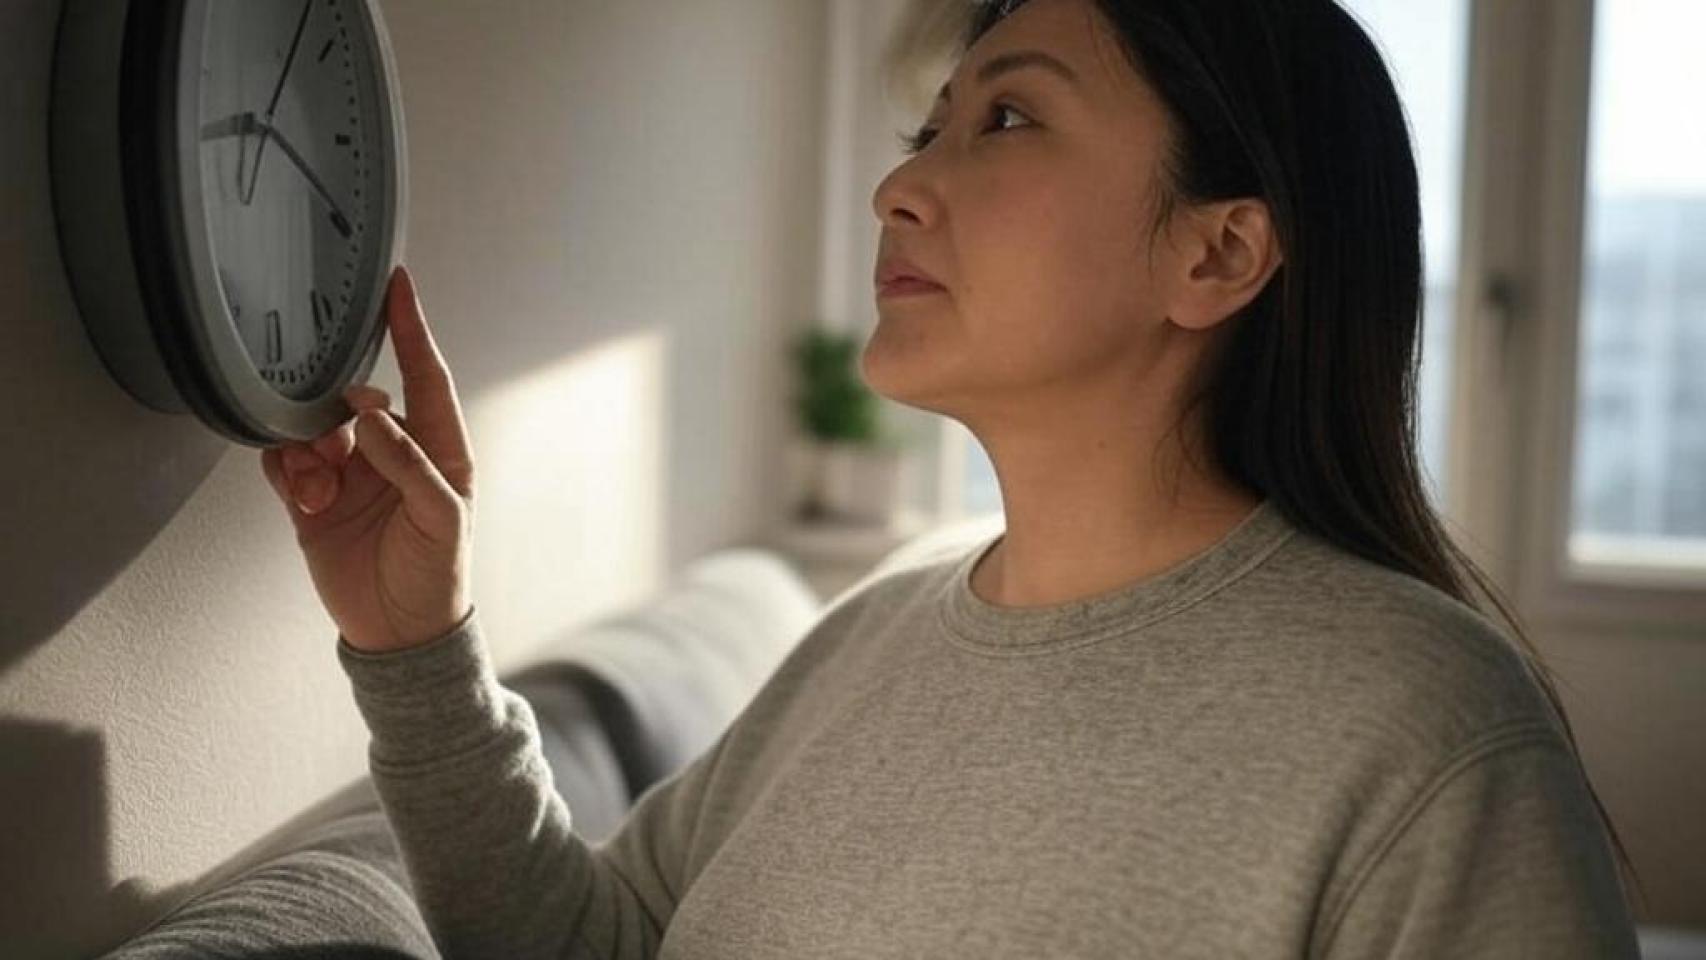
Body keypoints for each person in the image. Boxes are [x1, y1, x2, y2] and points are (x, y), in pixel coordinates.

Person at [261, 0, 1643, 956]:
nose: (897, 190)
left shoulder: (1422, 729)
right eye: (930, 131)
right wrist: (417, 647)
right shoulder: (875, 630)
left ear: (1213, 256)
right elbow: (591, 948)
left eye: (1009, 122)